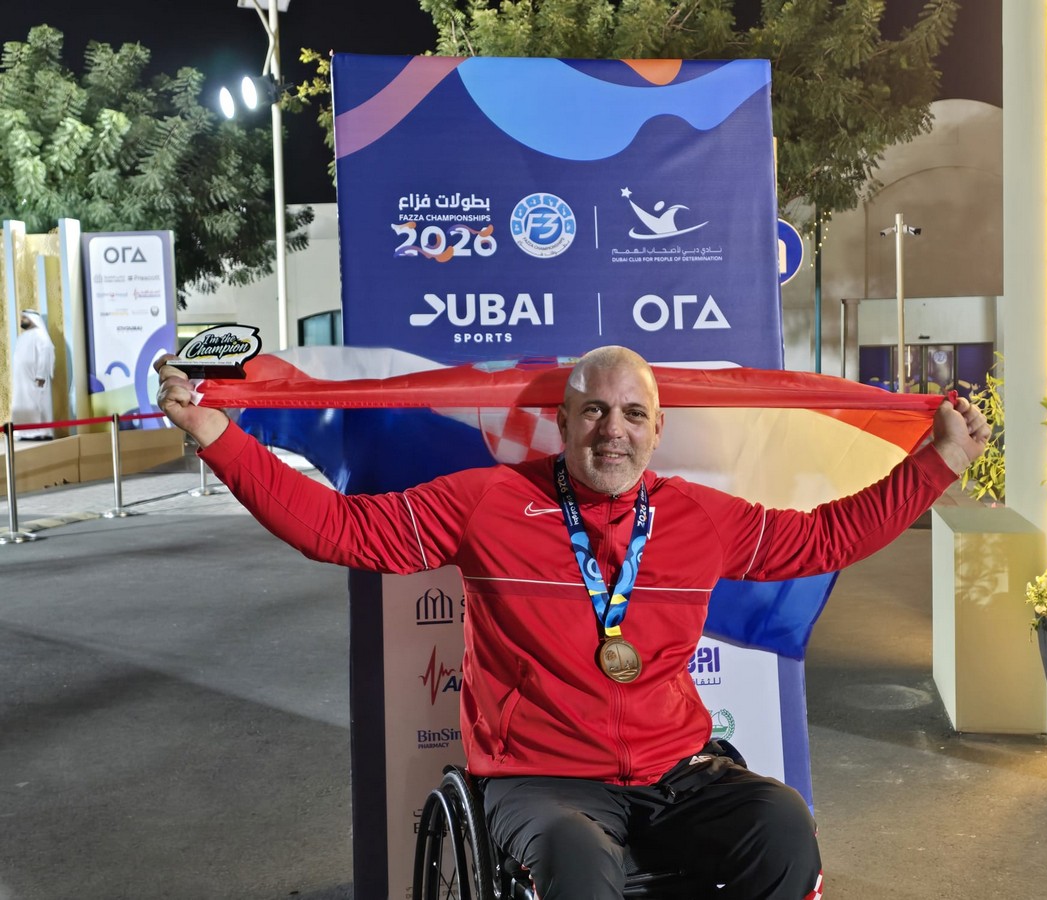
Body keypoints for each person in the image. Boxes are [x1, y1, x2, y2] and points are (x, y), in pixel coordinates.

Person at [155, 346, 990, 899]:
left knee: (782, 828)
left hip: (673, 770)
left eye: (633, 415)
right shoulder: (489, 501)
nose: (612, 431)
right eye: (593, 411)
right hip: (540, 779)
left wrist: (940, 461)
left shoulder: (698, 516)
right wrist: (219, 435)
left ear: (658, 430)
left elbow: (823, 538)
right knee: (578, 861)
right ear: (562, 423)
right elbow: (337, 529)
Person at [12, 310, 56, 440]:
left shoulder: (40, 334)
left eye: (25, 318)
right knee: (22, 405)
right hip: (21, 381)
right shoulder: (22, 337)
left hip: (35, 379)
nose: (22, 320)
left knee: (37, 405)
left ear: (33, 319)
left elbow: (46, 352)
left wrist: (41, 375)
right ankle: (24, 432)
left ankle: (40, 433)